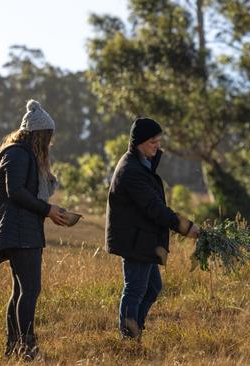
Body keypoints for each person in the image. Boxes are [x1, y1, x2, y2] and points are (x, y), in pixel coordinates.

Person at [0, 100, 68, 360]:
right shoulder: (18, 154)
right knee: (29, 290)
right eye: (47, 137)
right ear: (38, 135)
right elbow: (16, 191)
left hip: (23, 228)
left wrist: (48, 208)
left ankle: (14, 348)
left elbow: (24, 191)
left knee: (21, 290)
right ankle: (28, 349)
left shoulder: (20, 153)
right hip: (19, 230)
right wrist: (48, 210)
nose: (49, 143)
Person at [106, 117, 200, 342]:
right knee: (135, 290)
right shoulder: (132, 170)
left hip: (143, 237)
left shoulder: (140, 163)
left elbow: (152, 202)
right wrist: (185, 227)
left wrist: (154, 153)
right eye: (152, 142)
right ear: (138, 142)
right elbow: (155, 208)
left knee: (152, 287)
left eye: (158, 141)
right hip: (135, 240)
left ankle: (136, 328)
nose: (157, 146)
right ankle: (129, 339)